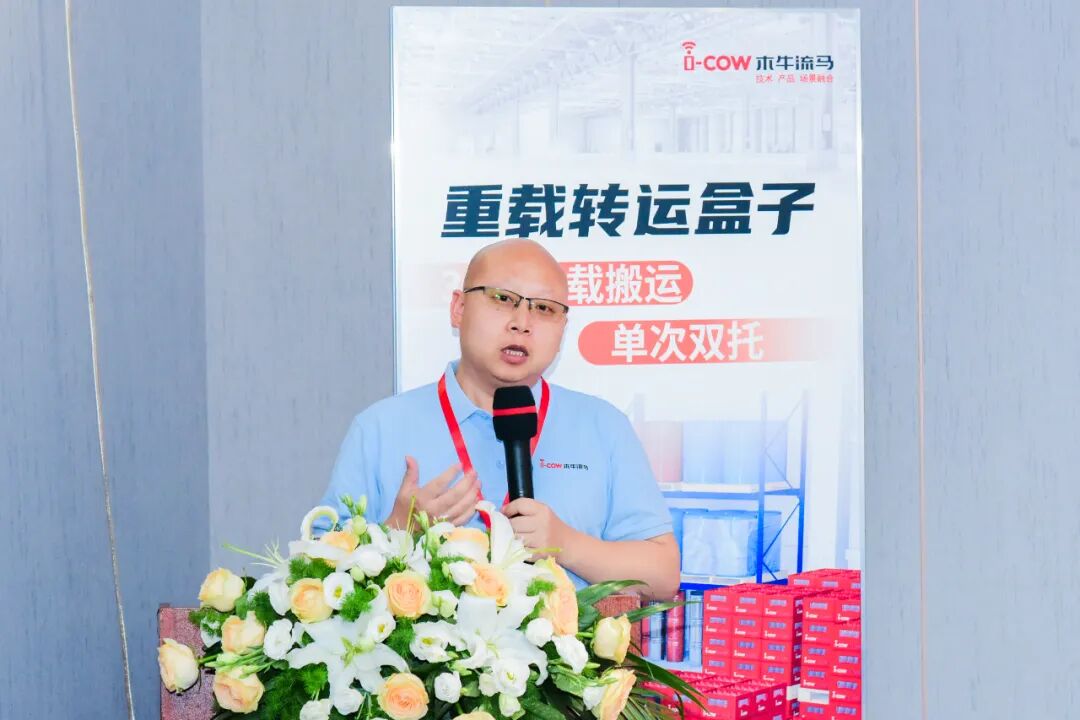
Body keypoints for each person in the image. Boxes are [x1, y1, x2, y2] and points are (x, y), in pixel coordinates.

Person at [320, 239, 679, 600]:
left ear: (562, 329)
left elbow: (663, 576)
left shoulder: (603, 426)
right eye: (503, 299)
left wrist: (565, 543)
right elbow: (315, 580)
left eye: (544, 308)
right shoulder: (380, 428)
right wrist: (398, 531)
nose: (522, 323)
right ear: (458, 308)